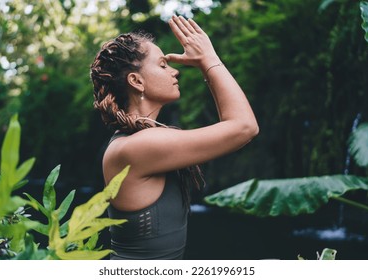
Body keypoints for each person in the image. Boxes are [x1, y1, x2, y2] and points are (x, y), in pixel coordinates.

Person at [90, 15, 259, 260]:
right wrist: (209, 60)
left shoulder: (140, 140)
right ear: (136, 81)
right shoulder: (139, 147)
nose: (175, 71)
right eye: (162, 65)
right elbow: (244, 127)